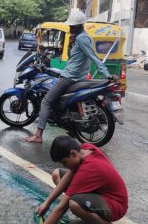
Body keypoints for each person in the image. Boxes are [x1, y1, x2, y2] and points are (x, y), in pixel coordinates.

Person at [26, 10, 119, 143]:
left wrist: (107, 74)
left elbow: (93, 57)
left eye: (72, 26)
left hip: (69, 78)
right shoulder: (84, 37)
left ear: (79, 26)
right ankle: (70, 127)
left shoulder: (81, 39)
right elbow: (75, 58)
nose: (70, 28)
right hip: (78, 77)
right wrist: (70, 46)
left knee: (46, 101)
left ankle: (38, 135)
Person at [23, 136, 128, 224]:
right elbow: (68, 176)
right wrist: (47, 202)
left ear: (73, 154)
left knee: (74, 204)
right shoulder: (84, 149)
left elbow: (61, 208)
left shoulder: (88, 169)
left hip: (115, 205)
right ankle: (88, 212)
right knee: (57, 174)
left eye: (65, 162)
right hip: (100, 193)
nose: (65, 166)